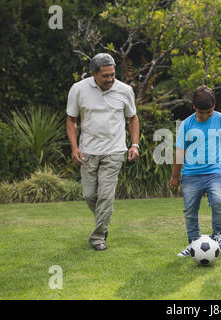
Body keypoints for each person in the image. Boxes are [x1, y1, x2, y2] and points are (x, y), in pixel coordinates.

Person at [66, 53, 140, 251]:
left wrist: (135, 145)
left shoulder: (125, 90)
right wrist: (74, 148)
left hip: (114, 150)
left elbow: (133, 118)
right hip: (88, 151)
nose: (110, 79)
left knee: (106, 195)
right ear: (93, 74)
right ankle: (103, 223)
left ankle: (98, 237)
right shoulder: (78, 89)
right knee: (90, 195)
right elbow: (71, 120)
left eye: (113, 75)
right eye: (105, 76)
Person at [169, 85, 221, 257]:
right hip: (191, 174)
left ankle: (218, 235)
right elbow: (180, 151)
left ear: (214, 107)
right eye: (201, 113)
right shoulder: (186, 125)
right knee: (190, 210)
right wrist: (175, 175)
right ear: (194, 108)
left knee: (219, 202)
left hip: (215, 171)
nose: (205, 116)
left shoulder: (220, 119)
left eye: (209, 112)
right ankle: (193, 243)